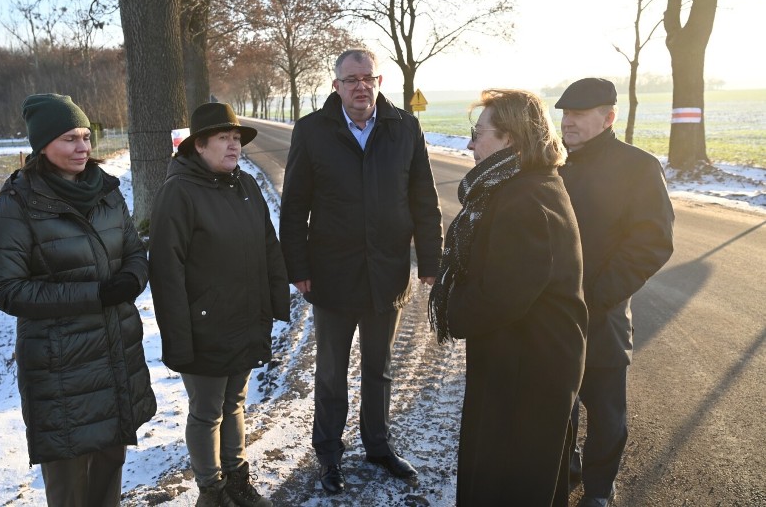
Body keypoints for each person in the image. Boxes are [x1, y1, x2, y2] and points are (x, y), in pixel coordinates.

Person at [280, 48, 443, 494]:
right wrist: (298, 265)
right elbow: (293, 206)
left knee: (380, 367)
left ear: (378, 81)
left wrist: (430, 260)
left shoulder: (404, 127)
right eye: (350, 79)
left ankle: (378, 446)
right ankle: (329, 454)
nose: (359, 86)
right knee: (331, 371)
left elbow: (423, 199)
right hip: (331, 275)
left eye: (366, 77)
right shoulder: (312, 131)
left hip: (386, 271)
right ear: (336, 86)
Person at [0, 93, 157, 507]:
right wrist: (95, 294)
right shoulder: (16, 206)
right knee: (71, 485)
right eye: (69, 139)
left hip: (115, 352)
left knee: (110, 467)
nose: (83, 147)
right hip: (62, 368)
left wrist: (134, 274)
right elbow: (5, 289)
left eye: (86, 136)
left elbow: (133, 247)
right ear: (42, 146)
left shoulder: (106, 191)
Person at [428, 89, 587, 506]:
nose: (469, 143)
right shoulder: (522, 187)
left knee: (512, 481)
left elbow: (501, 297)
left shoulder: (526, 199)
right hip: (519, 361)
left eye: (478, 133)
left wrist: (455, 308)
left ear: (511, 139)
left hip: (528, 374)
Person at [148, 102, 290, 507]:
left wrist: (274, 303)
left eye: (236, 139)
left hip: (244, 319)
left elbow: (268, 246)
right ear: (198, 145)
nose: (233, 146)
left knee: (235, 403)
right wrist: (178, 337)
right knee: (208, 410)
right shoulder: (178, 192)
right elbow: (166, 271)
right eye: (224, 138)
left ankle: (237, 483)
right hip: (203, 326)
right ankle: (211, 491)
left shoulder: (245, 186)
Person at [555, 78, 674, 507]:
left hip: (602, 315)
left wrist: (599, 295)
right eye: (565, 114)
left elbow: (653, 243)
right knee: (557, 408)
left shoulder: (638, 167)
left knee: (606, 414)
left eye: (579, 115)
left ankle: (599, 491)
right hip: (552, 317)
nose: (568, 122)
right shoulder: (554, 165)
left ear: (608, 118)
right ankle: (564, 473)